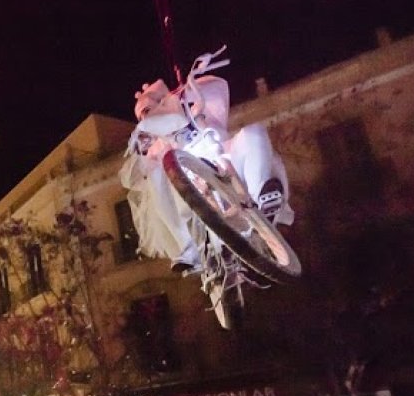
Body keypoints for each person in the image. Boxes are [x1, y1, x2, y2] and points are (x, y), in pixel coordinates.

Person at [119, 55, 293, 273]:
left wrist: (187, 89)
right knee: (155, 176)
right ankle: (186, 247)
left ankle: (263, 196)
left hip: (222, 157)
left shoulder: (194, 106)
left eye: (154, 105)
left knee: (253, 131)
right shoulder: (159, 143)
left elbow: (216, 88)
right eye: (146, 113)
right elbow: (144, 152)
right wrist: (145, 143)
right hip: (187, 185)